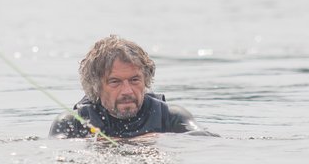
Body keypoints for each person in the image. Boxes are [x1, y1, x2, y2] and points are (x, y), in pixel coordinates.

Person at [49, 35, 215, 139]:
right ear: (96, 87)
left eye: (135, 80)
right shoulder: (72, 123)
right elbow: (55, 152)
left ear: (146, 81)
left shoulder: (170, 117)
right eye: (115, 82)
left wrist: (163, 139)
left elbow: (205, 139)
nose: (127, 91)